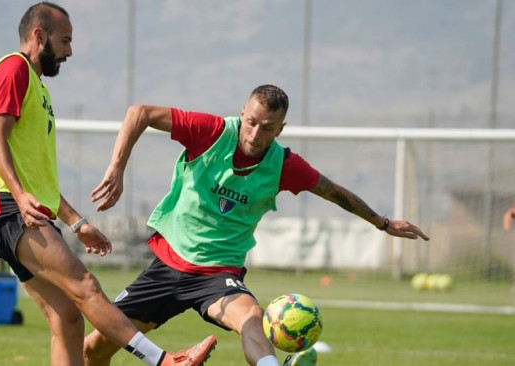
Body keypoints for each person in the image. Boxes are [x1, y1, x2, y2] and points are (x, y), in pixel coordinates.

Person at [83, 85, 430, 366]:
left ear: (281, 129)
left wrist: (382, 223)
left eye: (267, 128)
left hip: (217, 276)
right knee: (94, 349)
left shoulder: (285, 165)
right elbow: (139, 113)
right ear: (243, 113)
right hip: (166, 266)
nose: (255, 133)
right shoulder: (212, 132)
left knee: (253, 317)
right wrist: (116, 169)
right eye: (251, 121)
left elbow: (332, 191)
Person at [0, 2, 216, 365]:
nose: (70, 51)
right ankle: (164, 362)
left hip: (13, 209)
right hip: (4, 207)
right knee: (85, 287)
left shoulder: (39, 90)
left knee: (67, 318)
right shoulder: (14, 68)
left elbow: (41, 179)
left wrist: (76, 222)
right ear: (39, 35)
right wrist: (20, 198)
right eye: (64, 40)